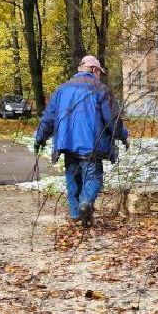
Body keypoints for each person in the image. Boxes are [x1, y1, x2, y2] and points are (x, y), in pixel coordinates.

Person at [34, 55, 128, 227]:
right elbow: (112, 120)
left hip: (67, 144)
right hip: (91, 145)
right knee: (93, 178)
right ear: (94, 70)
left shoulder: (62, 89)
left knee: (72, 179)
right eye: (100, 72)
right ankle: (86, 203)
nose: (100, 76)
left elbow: (48, 117)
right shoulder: (100, 89)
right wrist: (123, 135)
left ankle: (76, 214)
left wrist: (40, 137)